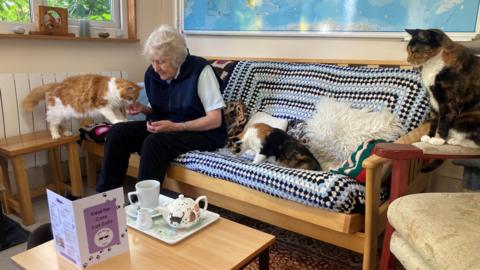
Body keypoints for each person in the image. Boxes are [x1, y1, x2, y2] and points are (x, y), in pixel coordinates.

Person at [96, 25, 226, 192]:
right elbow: (158, 108)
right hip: (168, 127)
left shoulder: (200, 70)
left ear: (177, 58)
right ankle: (105, 202)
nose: (155, 68)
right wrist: (143, 109)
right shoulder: (152, 74)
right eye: (152, 61)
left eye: (161, 62)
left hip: (203, 133)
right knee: (118, 132)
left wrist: (177, 127)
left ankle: (144, 208)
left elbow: (215, 120)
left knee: (154, 142)